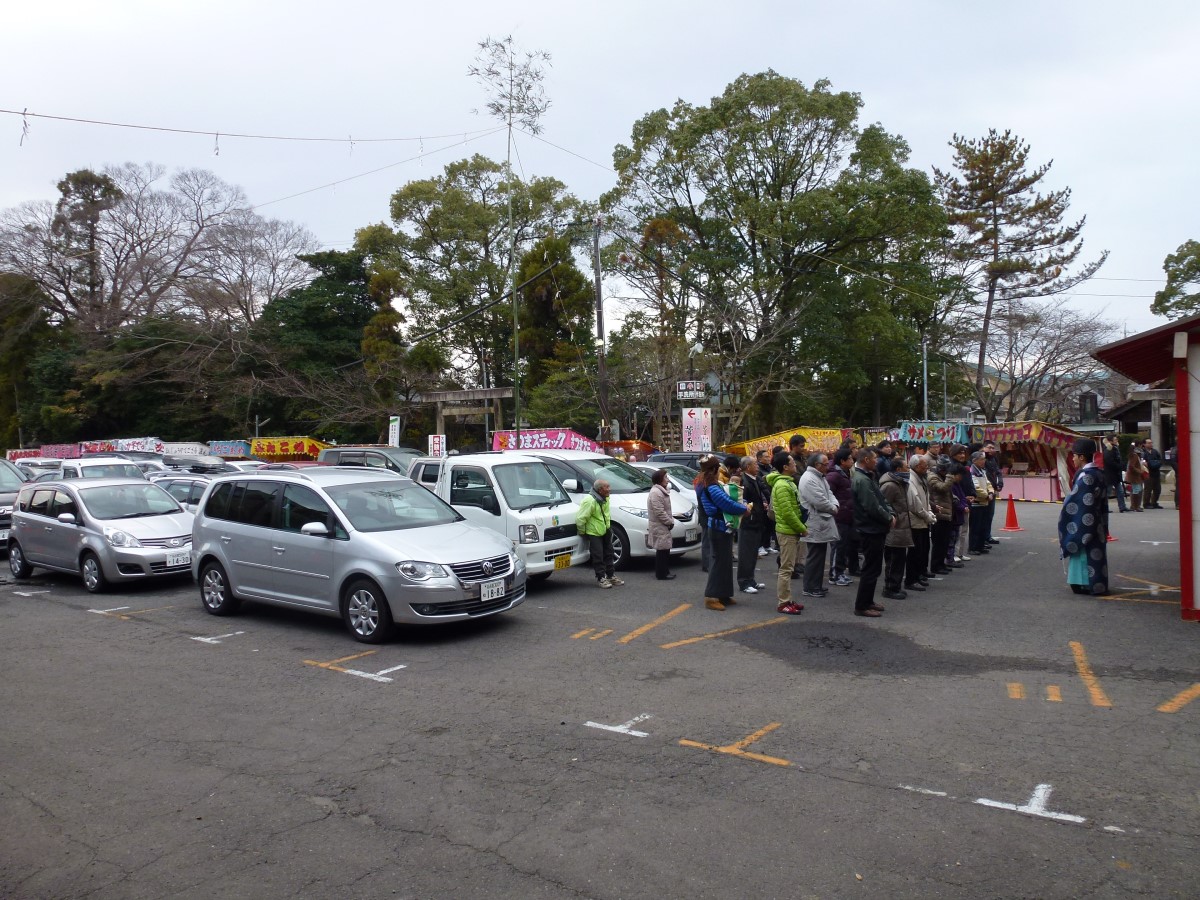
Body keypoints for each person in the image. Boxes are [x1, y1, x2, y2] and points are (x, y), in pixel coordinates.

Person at [697, 455, 749, 611]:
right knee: (719, 562)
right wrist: (744, 508)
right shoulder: (711, 486)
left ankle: (723, 594)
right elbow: (725, 503)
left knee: (724, 562)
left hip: (720, 526)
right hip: (718, 526)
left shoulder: (706, 483)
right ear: (714, 468)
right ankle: (711, 597)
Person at [1058, 438, 1109, 596]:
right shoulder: (1099, 473)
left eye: (1074, 455)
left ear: (1081, 457)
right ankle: (1095, 583)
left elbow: (1077, 502)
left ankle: (1084, 584)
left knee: (1083, 552)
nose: (1072, 458)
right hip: (1097, 520)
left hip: (1084, 522)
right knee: (1095, 553)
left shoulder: (1086, 476)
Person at [851, 448, 894, 617]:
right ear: (866, 460)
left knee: (874, 568)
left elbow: (881, 500)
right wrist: (888, 518)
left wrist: (890, 513)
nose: (877, 461)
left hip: (874, 527)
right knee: (870, 568)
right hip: (870, 528)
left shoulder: (867, 476)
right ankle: (862, 605)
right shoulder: (861, 479)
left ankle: (868, 600)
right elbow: (871, 506)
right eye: (874, 458)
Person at [768, 451, 807, 615]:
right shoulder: (783, 486)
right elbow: (788, 513)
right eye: (792, 462)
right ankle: (783, 602)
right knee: (786, 569)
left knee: (788, 568)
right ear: (785, 467)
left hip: (790, 530)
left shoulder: (787, 483)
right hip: (787, 531)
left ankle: (788, 599)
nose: (795, 464)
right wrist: (802, 528)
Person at [798, 452, 839, 598]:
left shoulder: (819, 477)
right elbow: (819, 501)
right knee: (815, 556)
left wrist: (834, 504)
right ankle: (810, 587)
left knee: (819, 555)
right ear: (817, 465)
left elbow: (829, 494)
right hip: (814, 521)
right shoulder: (809, 479)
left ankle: (816, 585)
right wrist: (833, 508)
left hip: (821, 521)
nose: (828, 466)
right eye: (825, 464)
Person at [879, 455, 914, 599]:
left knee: (899, 560)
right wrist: (892, 519)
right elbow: (883, 505)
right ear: (898, 469)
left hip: (902, 527)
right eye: (906, 467)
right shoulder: (890, 485)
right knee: (893, 560)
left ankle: (896, 586)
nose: (908, 470)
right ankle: (890, 588)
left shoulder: (901, 483)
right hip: (894, 528)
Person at [578, 479, 623, 588]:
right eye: (607, 487)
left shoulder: (605, 498)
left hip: (605, 530)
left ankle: (611, 576)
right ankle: (601, 578)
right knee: (598, 556)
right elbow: (580, 519)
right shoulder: (589, 501)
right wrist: (583, 532)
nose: (609, 489)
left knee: (609, 553)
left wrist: (608, 528)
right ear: (599, 490)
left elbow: (606, 515)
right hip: (594, 532)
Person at [737, 455, 768, 594]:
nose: (757, 466)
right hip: (748, 521)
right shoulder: (743, 480)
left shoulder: (754, 478)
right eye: (755, 464)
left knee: (753, 552)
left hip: (756, 520)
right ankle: (744, 582)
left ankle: (751, 580)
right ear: (748, 467)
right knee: (746, 553)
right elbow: (742, 501)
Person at [906, 453, 938, 590]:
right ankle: (911, 579)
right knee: (914, 552)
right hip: (916, 521)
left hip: (923, 519)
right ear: (917, 466)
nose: (927, 468)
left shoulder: (921, 477)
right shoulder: (911, 479)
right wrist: (927, 515)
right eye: (925, 466)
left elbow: (926, 498)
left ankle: (919, 575)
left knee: (922, 550)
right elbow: (915, 503)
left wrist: (929, 511)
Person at [826, 448, 858, 585]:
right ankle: (834, 575)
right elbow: (828, 494)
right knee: (838, 545)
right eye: (849, 458)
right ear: (842, 461)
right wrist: (837, 508)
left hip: (847, 515)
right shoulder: (834, 476)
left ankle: (840, 572)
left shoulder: (845, 473)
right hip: (839, 516)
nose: (852, 460)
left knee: (844, 546)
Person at [926, 455, 955, 576]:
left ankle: (941, 564)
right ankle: (935, 566)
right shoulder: (932, 476)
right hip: (938, 513)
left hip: (946, 511)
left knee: (945, 541)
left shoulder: (942, 476)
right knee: (938, 542)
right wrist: (950, 476)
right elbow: (942, 488)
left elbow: (947, 492)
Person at [647, 469, 676, 580]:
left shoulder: (660, 491)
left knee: (664, 549)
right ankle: (661, 573)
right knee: (662, 550)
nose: (667, 480)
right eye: (665, 477)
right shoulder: (656, 492)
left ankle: (664, 571)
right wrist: (669, 522)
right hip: (659, 525)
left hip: (662, 525)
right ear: (659, 479)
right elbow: (659, 511)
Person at [967, 451, 994, 555]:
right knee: (975, 527)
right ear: (975, 461)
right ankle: (973, 547)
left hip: (984, 502)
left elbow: (988, 483)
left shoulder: (982, 470)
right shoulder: (972, 471)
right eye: (982, 459)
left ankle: (980, 546)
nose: (984, 461)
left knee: (983, 526)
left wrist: (991, 492)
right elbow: (976, 487)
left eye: (984, 459)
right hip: (977, 503)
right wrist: (986, 495)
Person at [982, 441, 1004, 546]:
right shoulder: (980, 459)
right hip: (983, 491)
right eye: (989, 447)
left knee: (990, 515)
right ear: (983, 448)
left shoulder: (994, 459)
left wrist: (1000, 483)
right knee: (983, 516)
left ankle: (987, 536)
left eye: (993, 448)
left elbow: (998, 472)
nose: (991, 450)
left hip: (993, 490)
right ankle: (981, 539)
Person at [1102, 436, 1127, 513]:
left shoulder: (1115, 448)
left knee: (1120, 491)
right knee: (1107, 492)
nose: (1117, 440)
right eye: (1115, 439)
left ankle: (1122, 507)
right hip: (1110, 474)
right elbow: (1109, 461)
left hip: (1115, 474)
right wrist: (1119, 466)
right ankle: (1104, 508)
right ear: (1111, 441)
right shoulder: (1109, 449)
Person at [1141, 438, 1164, 508]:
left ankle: (1154, 502)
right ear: (1144, 444)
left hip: (1156, 472)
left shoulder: (1155, 451)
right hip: (1148, 473)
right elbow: (1143, 462)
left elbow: (1160, 459)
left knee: (1157, 489)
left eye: (1151, 443)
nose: (1150, 444)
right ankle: (1146, 503)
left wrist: (1158, 463)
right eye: (1148, 443)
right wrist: (1146, 464)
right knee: (1148, 489)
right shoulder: (1143, 452)